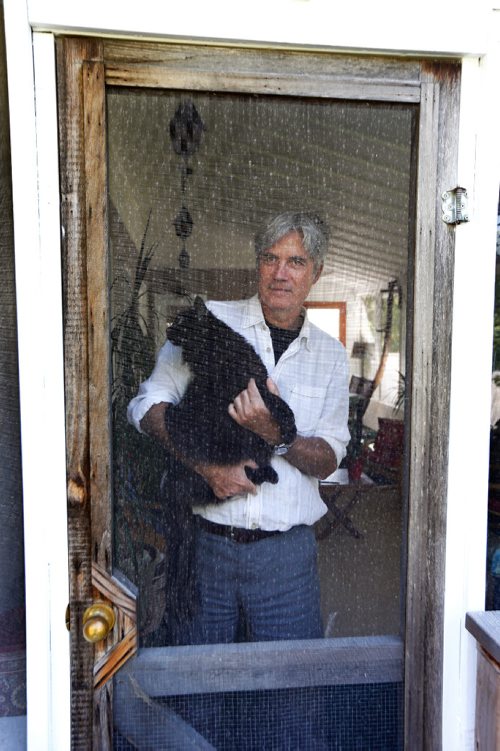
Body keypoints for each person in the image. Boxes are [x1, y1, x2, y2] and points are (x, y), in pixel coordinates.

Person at [127, 211, 350, 644]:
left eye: (295, 261)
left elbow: (327, 460)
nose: (280, 273)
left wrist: (276, 433)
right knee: (200, 685)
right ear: (257, 265)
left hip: (285, 557)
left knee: (289, 690)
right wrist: (206, 469)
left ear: (316, 272)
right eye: (270, 258)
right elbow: (145, 406)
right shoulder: (210, 321)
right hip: (205, 544)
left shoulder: (331, 356)